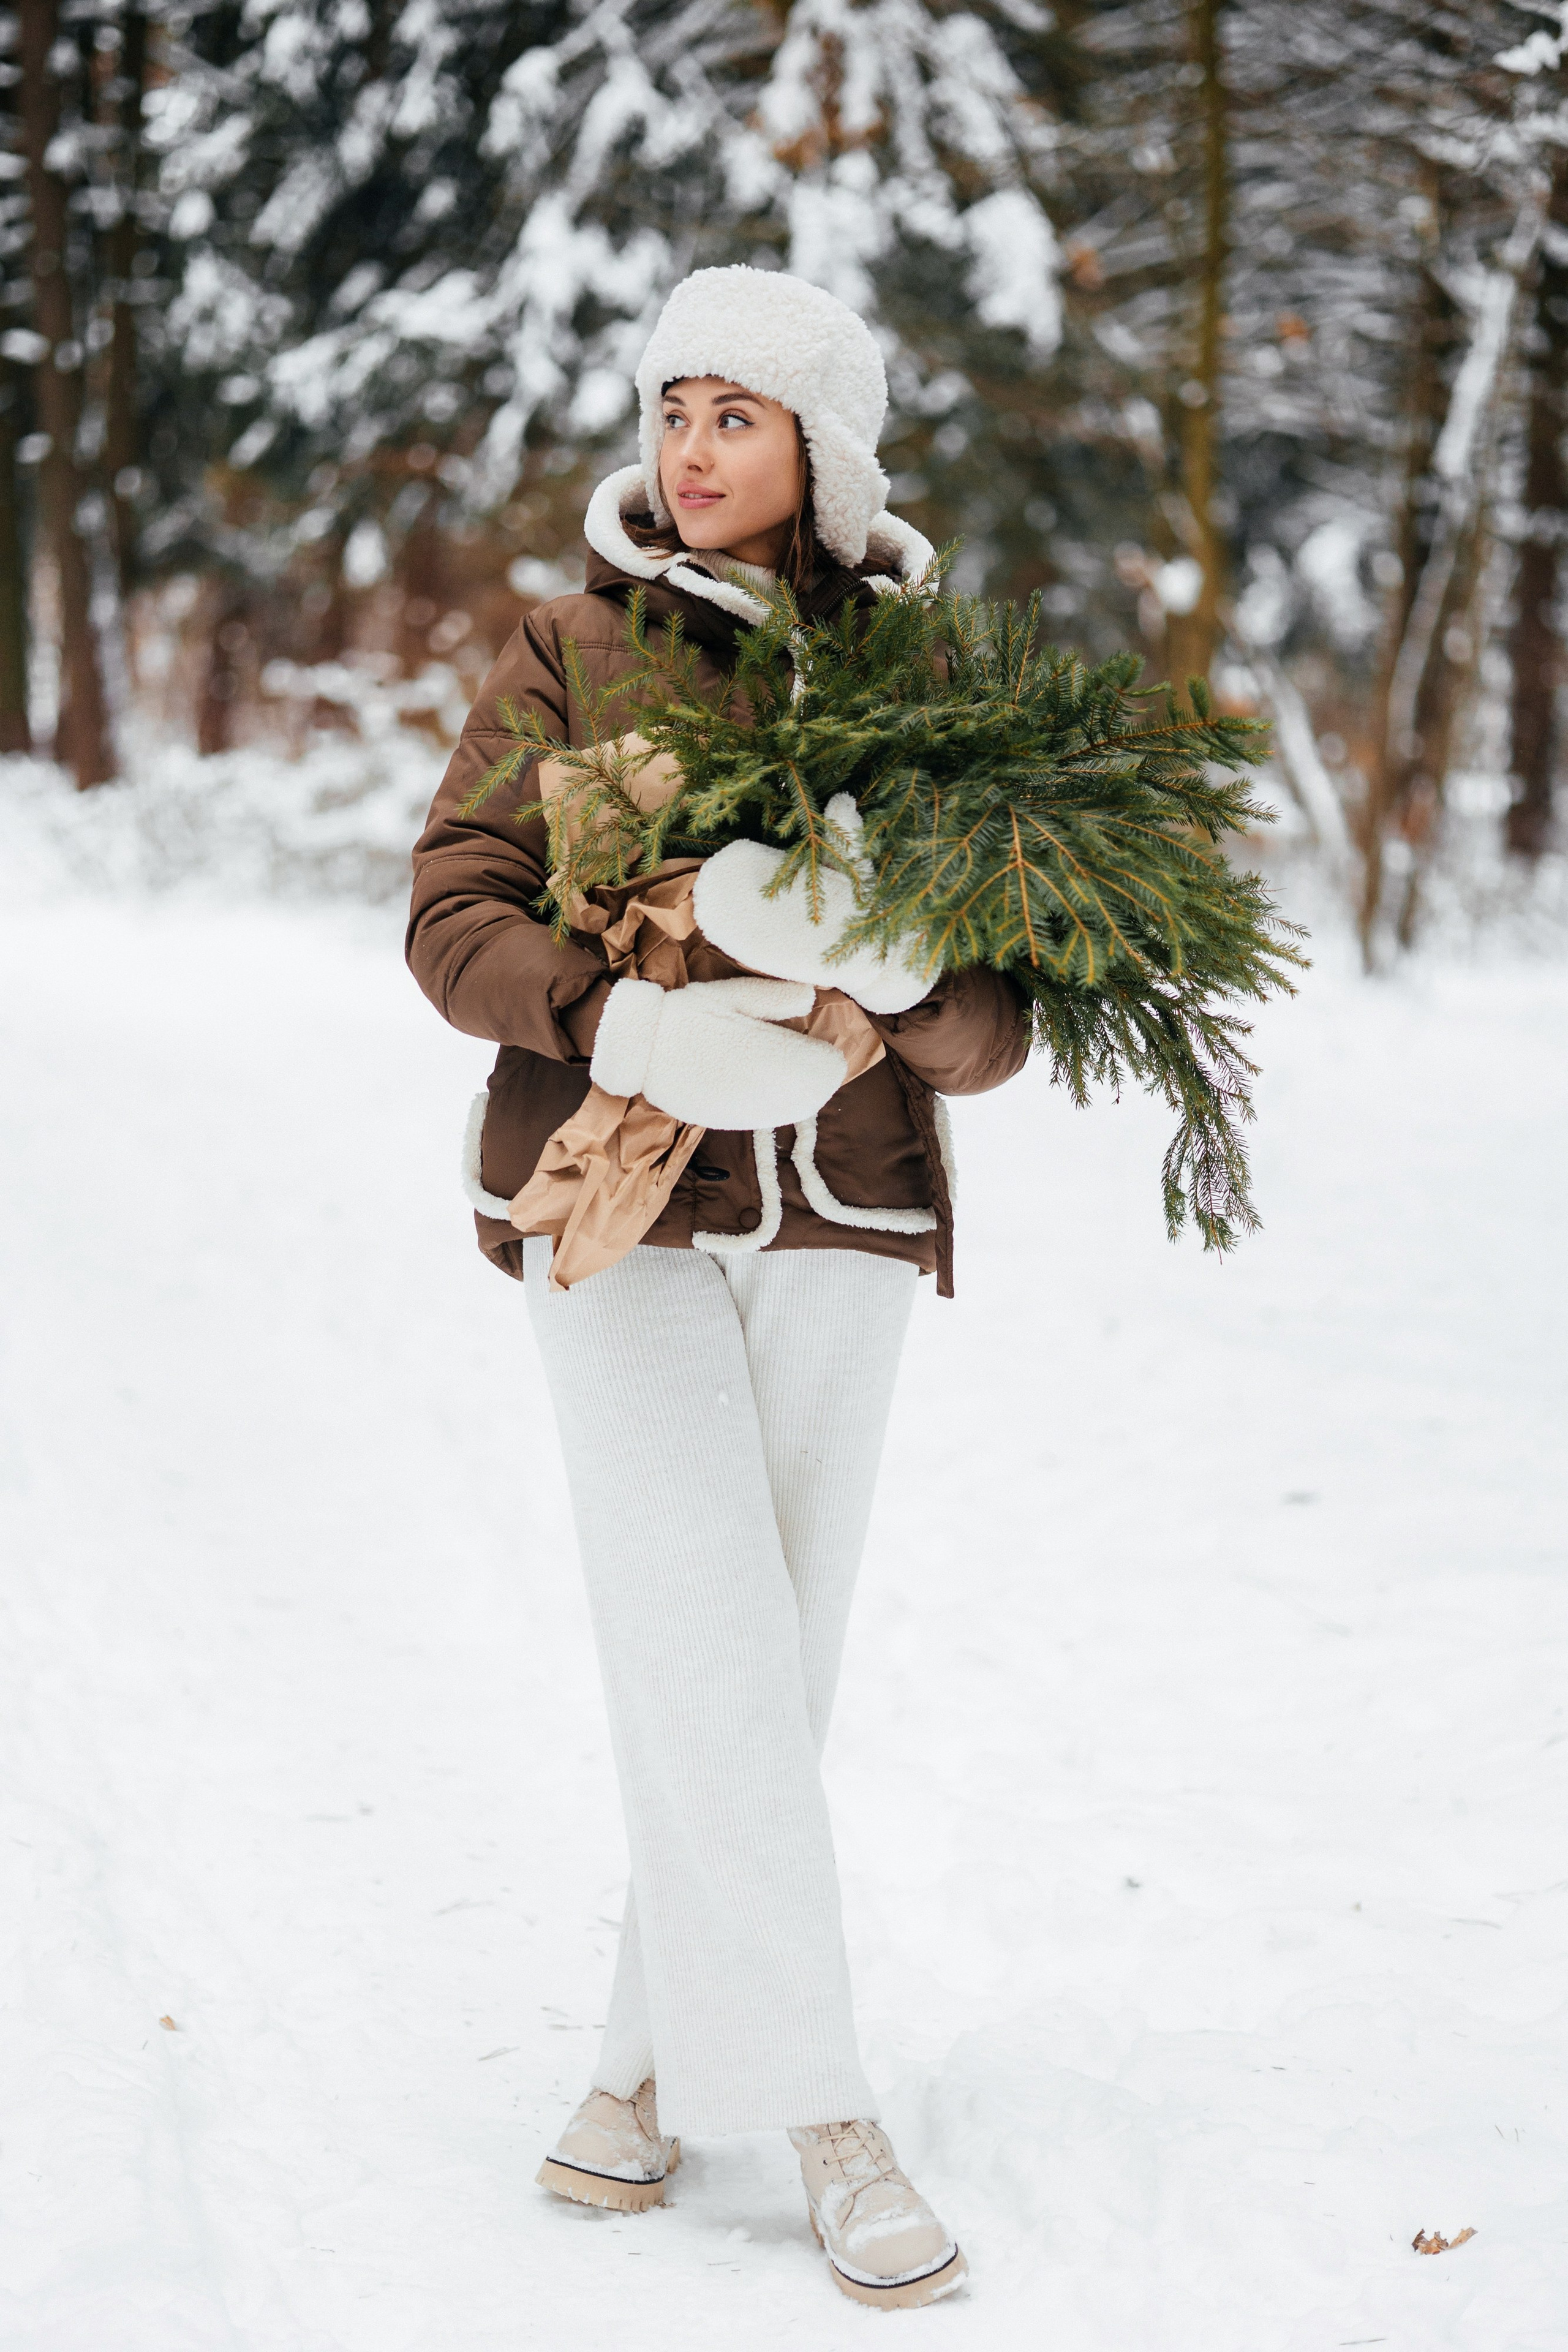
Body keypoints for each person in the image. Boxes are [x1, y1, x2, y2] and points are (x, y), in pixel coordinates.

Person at [407, 265, 1030, 2311]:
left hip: (844, 1215)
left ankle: (644, 2067)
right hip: (617, 1210)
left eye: (733, 416)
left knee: (772, 1654)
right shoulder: (573, 649)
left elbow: (1007, 1025)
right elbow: (451, 913)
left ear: (822, 452)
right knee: (698, 1628)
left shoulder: (927, 680)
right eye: (671, 407)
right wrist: (618, 1025)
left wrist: (916, 992)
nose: (687, 450)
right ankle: (827, 2116)